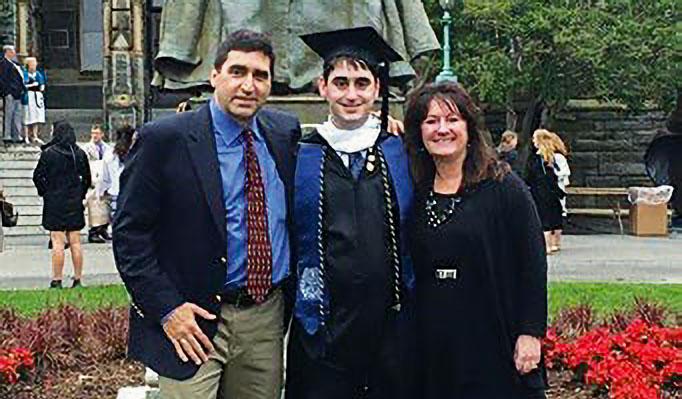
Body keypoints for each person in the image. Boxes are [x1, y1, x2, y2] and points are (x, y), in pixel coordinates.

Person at [113, 30, 300, 399]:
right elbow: (130, 235)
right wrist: (167, 310)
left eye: (260, 75)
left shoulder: (284, 134)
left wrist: (382, 128)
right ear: (215, 76)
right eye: (238, 72)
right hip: (193, 319)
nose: (248, 85)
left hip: (264, 318)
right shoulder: (165, 140)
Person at [285, 27, 416, 399]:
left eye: (362, 82)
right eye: (340, 82)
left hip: (391, 325)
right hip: (323, 327)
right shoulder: (300, 154)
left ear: (377, 88)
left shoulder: (401, 152)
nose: (352, 94)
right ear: (322, 87)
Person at [404, 82, 548, 399]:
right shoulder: (414, 188)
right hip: (431, 336)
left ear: (469, 126)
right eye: (431, 121)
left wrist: (530, 333)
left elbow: (532, 261)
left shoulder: (503, 187)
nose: (442, 129)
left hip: (491, 331)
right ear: (419, 132)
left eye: (452, 119)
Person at [33, 121, 91, 289]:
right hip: (73, 200)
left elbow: (38, 176)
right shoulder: (79, 153)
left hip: (54, 201)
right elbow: (87, 178)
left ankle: (57, 279)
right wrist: (80, 194)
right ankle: (78, 278)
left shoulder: (49, 153)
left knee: (58, 241)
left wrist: (44, 192)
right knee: (75, 241)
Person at [526, 129, 566, 254]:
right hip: (551, 191)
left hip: (540, 191)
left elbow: (533, 176)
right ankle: (555, 243)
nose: (533, 141)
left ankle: (547, 246)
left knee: (544, 219)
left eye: (534, 139)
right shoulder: (550, 157)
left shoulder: (538, 159)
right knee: (553, 216)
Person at [82, 123, 112, 243]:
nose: (95, 136)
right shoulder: (87, 148)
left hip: (104, 178)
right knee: (94, 206)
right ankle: (94, 231)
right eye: (93, 133)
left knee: (105, 205)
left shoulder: (107, 148)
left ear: (102, 134)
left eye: (97, 133)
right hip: (93, 177)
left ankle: (103, 228)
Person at [99, 125, 135, 223]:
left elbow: (104, 178)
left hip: (114, 194)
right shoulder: (136, 153)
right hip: (133, 195)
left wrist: (101, 192)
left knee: (116, 225)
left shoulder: (109, 154)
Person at [549, 131, 570, 251]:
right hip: (549, 187)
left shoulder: (559, 158)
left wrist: (554, 174)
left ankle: (556, 240)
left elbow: (565, 172)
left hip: (558, 186)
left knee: (558, 211)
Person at [2, 45, 25, 144]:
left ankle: (17, 135)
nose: (14, 53)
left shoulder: (15, 64)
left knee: (17, 114)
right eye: (12, 51)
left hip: (18, 93)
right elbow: (3, 79)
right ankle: (7, 135)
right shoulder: (3, 64)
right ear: (7, 52)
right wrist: (6, 91)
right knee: (8, 114)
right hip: (9, 93)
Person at [22, 57, 47, 144]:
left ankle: (35, 135)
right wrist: (32, 85)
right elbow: (24, 84)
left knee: (36, 116)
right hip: (29, 97)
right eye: (32, 64)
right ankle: (26, 136)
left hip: (37, 97)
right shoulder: (25, 74)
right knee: (27, 116)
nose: (34, 66)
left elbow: (42, 84)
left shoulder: (38, 74)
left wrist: (41, 86)